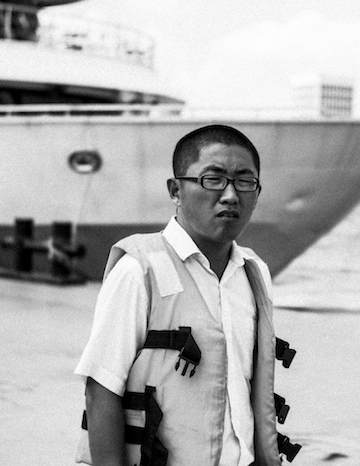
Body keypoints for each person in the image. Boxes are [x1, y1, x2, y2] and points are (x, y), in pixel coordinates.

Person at [75, 124, 280, 466]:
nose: (231, 195)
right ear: (176, 190)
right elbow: (101, 391)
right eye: (213, 179)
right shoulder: (139, 270)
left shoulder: (253, 272)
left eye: (245, 181)